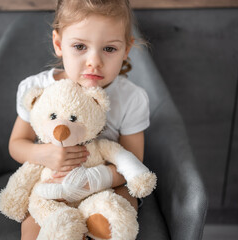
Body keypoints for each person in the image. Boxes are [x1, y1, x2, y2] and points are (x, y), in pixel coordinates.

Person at [8, 0, 150, 239]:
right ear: (58, 43)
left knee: (122, 208)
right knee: (32, 225)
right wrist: (43, 154)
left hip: (107, 183)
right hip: (54, 184)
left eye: (109, 49)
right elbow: (17, 144)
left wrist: (96, 179)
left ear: (126, 49)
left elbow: (132, 161)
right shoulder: (37, 89)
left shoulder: (131, 98)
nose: (94, 61)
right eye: (80, 46)